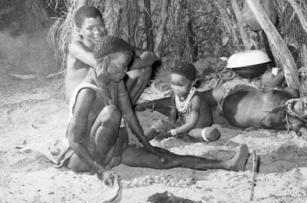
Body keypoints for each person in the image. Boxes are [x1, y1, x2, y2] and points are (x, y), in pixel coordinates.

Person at [57, 36, 250, 186]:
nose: (125, 72)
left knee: (165, 158)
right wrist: (100, 171)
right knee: (111, 113)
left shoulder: (115, 82)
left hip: (112, 151)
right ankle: (104, 164)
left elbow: (131, 118)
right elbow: (74, 140)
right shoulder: (87, 93)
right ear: (106, 62)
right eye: (123, 66)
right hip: (84, 159)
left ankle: (228, 164)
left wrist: (147, 145)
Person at [138, 85, 307, 144]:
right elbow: (272, 81)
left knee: (194, 115)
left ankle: (163, 127)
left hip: (221, 118)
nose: (305, 104)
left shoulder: (292, 121)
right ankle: (148, 105)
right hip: (227, 94)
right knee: (190, 97)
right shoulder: (292, 93)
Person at [64, 5, 159, 105]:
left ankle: (123, 111)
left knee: (145, 70)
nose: (97, 31)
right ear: (79, 31)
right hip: (81, 101)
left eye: (100, 25)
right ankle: (116, 111)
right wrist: (137, 62)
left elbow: (151, 56)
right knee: (126, 72)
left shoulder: (106, 43)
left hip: (99, 93)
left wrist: (138, 60)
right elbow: (101, 65)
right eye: (90, 28)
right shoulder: (75, 47)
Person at [145, 62, 220, 142]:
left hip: (196, 125)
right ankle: (143, 139)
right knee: (162, 123)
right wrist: (172, 122)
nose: (176, 88)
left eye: (180, 85)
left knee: (193, 133)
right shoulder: (175, 94)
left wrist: (172, 132)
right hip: (183, 123)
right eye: (173, 84)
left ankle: (208, 133)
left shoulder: (195, 98)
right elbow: (173, 111)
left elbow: (191, 123)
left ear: (192, 83)